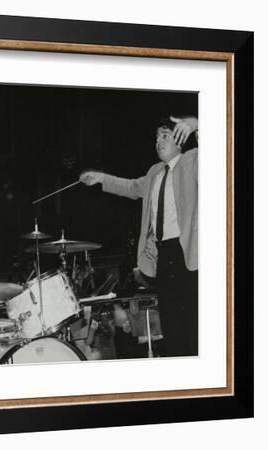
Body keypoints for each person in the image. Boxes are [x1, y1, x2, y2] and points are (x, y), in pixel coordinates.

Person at [80, 116, 198, 357]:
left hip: (189, 254)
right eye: (156, 137)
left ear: (180, 139)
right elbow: (131, 187)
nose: (158, 141)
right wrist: (101, 178)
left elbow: (224, 149)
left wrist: (198, 124)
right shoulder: (155, 172)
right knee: (172, 326)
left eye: (165, 135)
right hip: (164, 256)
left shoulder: (193, 160)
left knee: (194, 326)